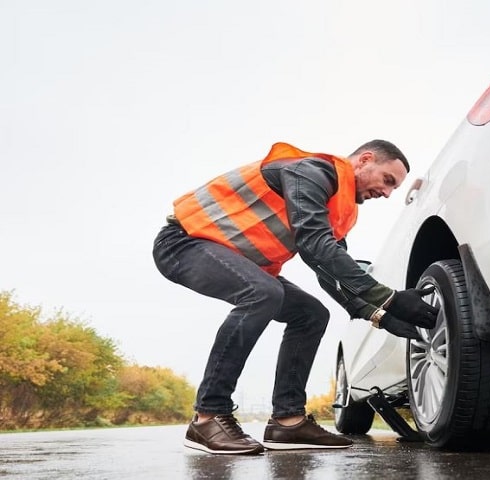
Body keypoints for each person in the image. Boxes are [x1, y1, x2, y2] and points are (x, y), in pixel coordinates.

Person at [152, 140, 439, 455]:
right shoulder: (310, 172)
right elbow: (314, 245)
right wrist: (391, 299)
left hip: (239, 260)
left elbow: (329, 270)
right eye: (387, 180)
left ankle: (287, 422)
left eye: (393, 188)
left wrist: (379, 315)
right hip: (183, 242)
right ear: (364, 160)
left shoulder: (339, 207)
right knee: (263, 293)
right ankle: (208, 417)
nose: (386, 193)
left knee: (311, 314)